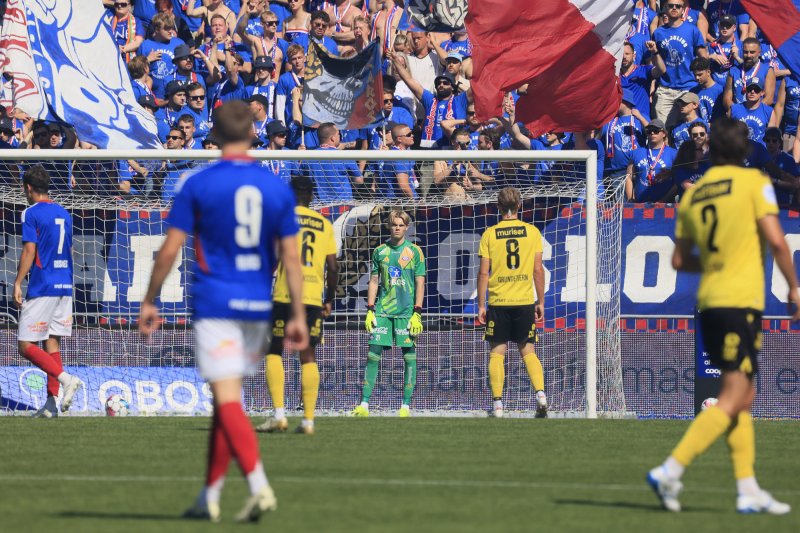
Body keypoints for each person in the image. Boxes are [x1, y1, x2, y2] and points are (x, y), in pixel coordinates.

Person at [138, 100, 308, 523]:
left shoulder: (198, 183)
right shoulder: (275, 187)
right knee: (224, 401)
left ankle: (259, 485)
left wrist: (150, 298)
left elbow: (170, 250)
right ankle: (208, 497)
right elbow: (290, 258)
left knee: (227, 400)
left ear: (212, 135)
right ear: (254, 133)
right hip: (258, 304)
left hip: (217, 303)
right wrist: (299, 314)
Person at [647, 117, 799, 515]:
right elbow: (776, 240)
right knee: (736, 394)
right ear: (746, 150)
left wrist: (715, 260)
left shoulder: (695, 195)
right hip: (739, 301)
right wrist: (795, 288)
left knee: (742, 394)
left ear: (711, 150)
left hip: (709, 301)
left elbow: (680, 258)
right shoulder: (753, 183)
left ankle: (748, 489)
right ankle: (671, 468)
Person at [258, 174, 338, 435]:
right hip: (313, 296)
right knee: (308, 355)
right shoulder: (324, 224)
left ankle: (279, 415)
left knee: (274, 350)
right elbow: (333, 266)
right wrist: (329, 300)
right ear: (312, 196)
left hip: (284, 294)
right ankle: (308, 421)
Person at [13, 165, 82, 418]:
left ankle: (65, 379)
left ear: (28, 188)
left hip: (43, 285)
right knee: (52, 341)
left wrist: (18, 282)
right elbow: (70, 250)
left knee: (24, 345)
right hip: (65, 284)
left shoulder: (31, 213)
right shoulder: (64, 213)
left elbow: (30, 250)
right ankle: (52, 405)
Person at [476, 187, 547, 419]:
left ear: (498, 207)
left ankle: (497, 404)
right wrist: (541, 301)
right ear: (519, 206)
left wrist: (481, 305)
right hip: (524, 301)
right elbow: (538, 269)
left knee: (497, 353)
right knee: (528, 351)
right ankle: (540, 395)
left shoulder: (489, 234)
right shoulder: (532, 232)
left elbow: (484, 273)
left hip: (499, 301)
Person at [351, 210, 425, 417]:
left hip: (406, 313)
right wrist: (370, 310)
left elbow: (420, 283)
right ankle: (364, 404)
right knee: (372, 356)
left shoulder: (415, 252)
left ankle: (405, 406)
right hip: (383, 311)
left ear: (407, 227)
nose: (397, 228)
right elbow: (374, 281)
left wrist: (417, 312)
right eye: (394, 225)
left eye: (401, 225)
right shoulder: (380, 252)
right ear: (389, 226)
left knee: (409, 357)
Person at [652, 1, 707, 128]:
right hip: (666, 89)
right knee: (663, 130)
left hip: (689, 87)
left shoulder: (692, 30)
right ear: (665, 8)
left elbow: (703, 57)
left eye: (678, 6)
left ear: (683, 9)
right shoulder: (658, 33)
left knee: (691, 129)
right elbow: (656, 61)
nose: (674, 8)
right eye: (671, 6)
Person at [302, 123, 364, 201]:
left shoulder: (307, 158)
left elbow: (302, 178)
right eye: (338, 134)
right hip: (344, 207)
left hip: (318, 208)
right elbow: (359, 180)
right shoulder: (345, 156)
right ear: (332, 138)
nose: (340, 136)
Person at [626, 118, 679, 202]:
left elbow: (678, 181)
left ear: (664, 134)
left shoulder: (673, 153)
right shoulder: (636, 153)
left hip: (665, 205)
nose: (652, 133)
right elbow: (628, 177)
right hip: (640, 204)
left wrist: (663, 200)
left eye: (656, 130)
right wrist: (631, 199)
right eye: (649, 131)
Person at [724, 38, 775, 109]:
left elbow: (769, 99)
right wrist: (738, 111)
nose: (748, 55)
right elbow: (727, 99)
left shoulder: (767, 70)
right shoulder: (733, 71)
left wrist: (750, 112)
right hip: (737, 116)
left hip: (757, 115)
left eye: (752, 52)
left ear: (759, 52)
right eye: (745, 52)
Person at [376, 123, 418, 199]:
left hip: (395, 201)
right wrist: (413, 203)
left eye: (412, 133)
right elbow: (403, 186)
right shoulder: (399, 156)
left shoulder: (394, 152)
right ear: (399, 139)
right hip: (399, 204)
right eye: (409, 134)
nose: (412, 136)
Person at [690, 57, 724, 121]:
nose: (697, 78)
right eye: (695, 75)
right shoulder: (692, 92)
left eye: (700, 75)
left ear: (708, 72)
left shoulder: (721, 91)